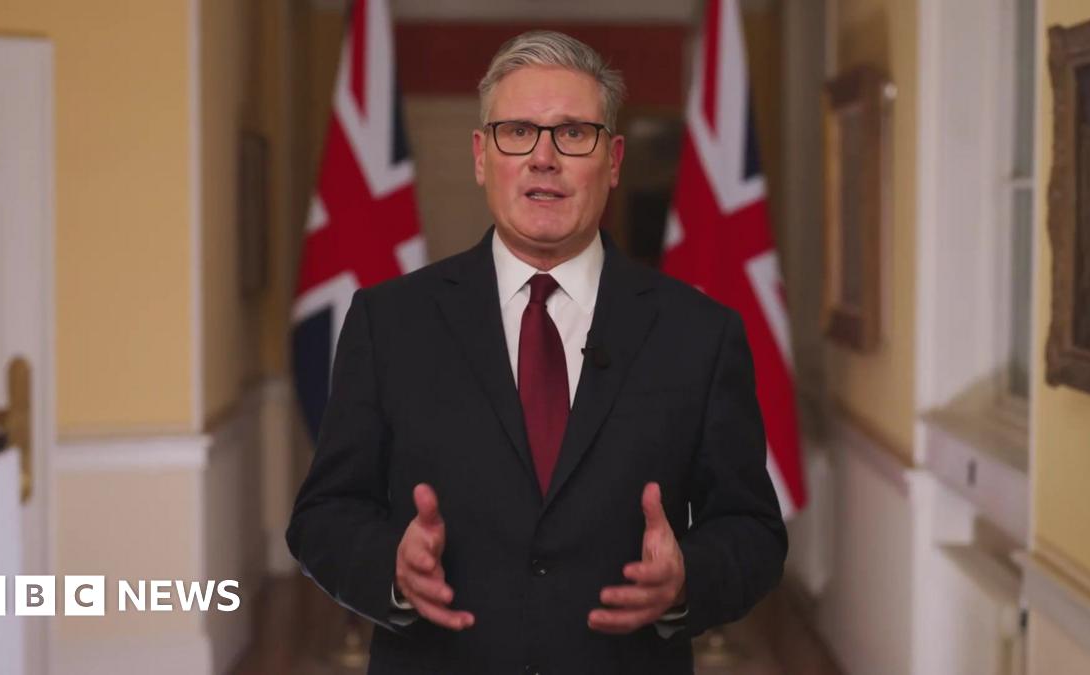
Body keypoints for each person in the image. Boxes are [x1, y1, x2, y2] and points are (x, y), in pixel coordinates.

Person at [286, 30, 786, 675]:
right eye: (517, 131)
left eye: (573, 133)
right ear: (480, 156)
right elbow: (323, 515)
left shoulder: (700, 332)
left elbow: (752, 531)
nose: (543, 157)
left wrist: (687, 579)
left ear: (612, 160)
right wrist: (392, 568)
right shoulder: (389, 322)